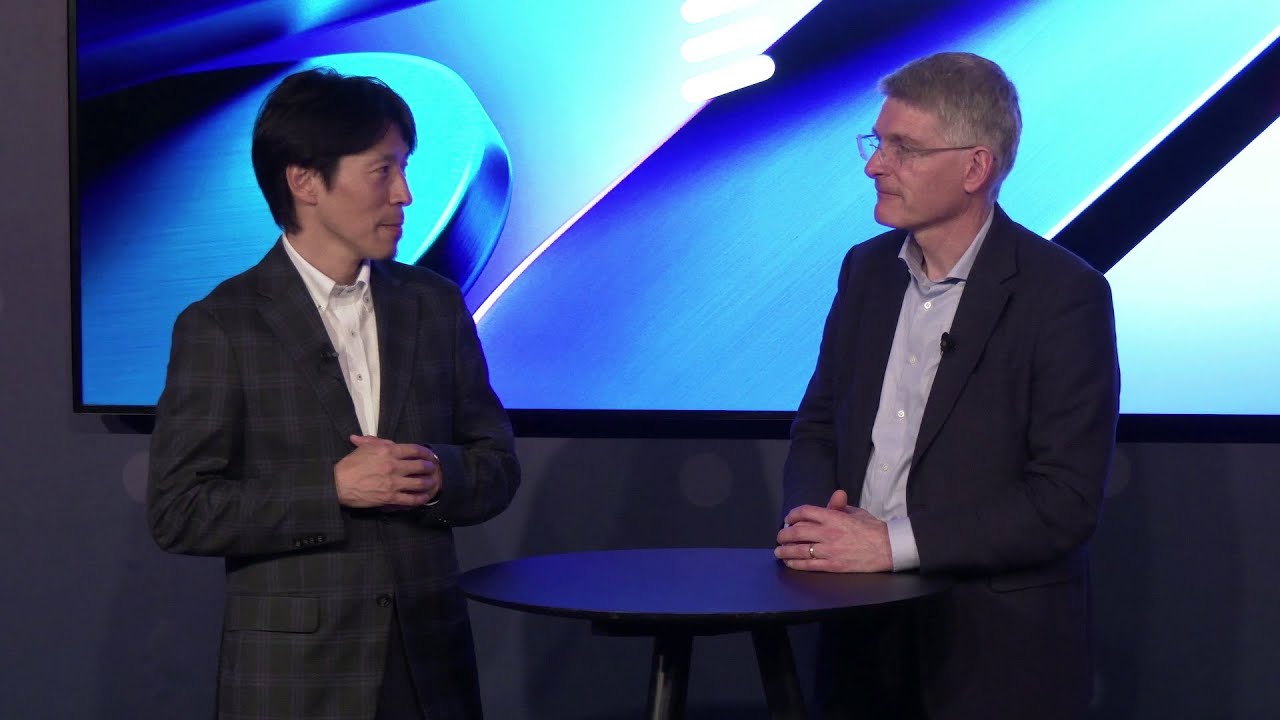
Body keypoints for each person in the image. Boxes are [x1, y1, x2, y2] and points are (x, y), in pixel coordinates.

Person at [147, 68, 521, 720]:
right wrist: (333, 490)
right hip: (296, 680)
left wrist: (438, 475)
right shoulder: (222, 324)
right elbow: (180, 510)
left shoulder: (434, 305)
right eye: (382, 171)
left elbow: (497, 464)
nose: (405, 194)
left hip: (429, 668)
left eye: (405, 168)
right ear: (305, 182)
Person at [774, 52, 1120, 719]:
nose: (875, 166)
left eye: (903, 149)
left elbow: (1063, 501)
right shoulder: (865, 271)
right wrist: (815, 525)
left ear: (974, 168)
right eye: (877, 143)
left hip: (991, 656)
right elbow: (818, 424)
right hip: (857, 634)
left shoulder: (1063, 295)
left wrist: (890, 546)